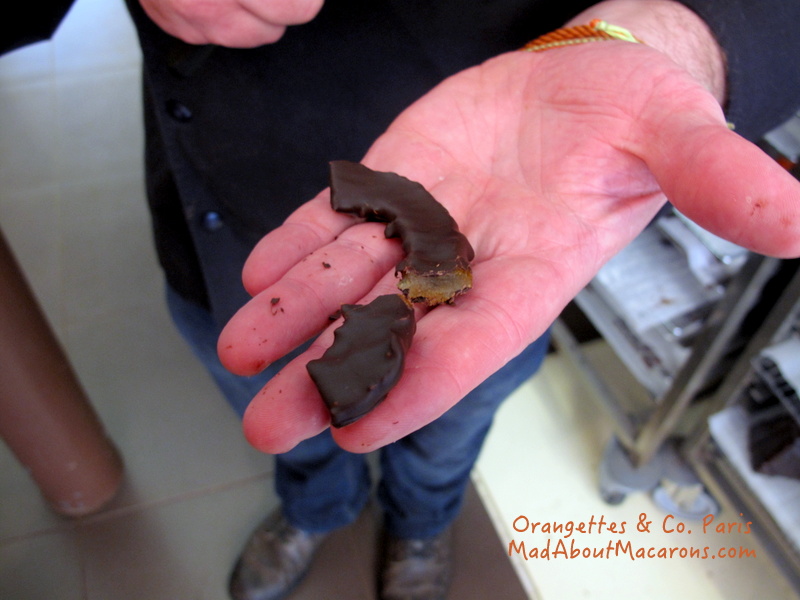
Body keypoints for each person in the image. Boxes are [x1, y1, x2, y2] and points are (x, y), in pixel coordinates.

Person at [120, 1, 800, 599]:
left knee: (449, 419)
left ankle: (421, 524)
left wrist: (684, 34)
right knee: (277, 405)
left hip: (507, 178)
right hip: (220, 197)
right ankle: (315, 508)